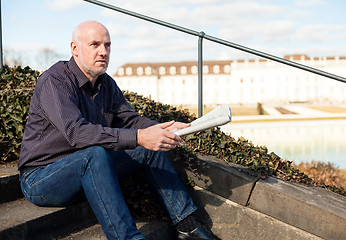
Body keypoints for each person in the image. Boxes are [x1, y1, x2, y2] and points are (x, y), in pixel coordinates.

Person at [17, 21, 219, 240]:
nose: (103, 52)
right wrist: (141, 137)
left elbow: (130, 121)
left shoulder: (106, 84)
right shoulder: (55, 81)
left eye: (108, 45)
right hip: (41, 178)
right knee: (95, 154)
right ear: (75, 48)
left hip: (88, 169)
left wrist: (164, 128)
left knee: (147, 148)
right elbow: (77, 133)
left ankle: (189, 229)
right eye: (95, 44)